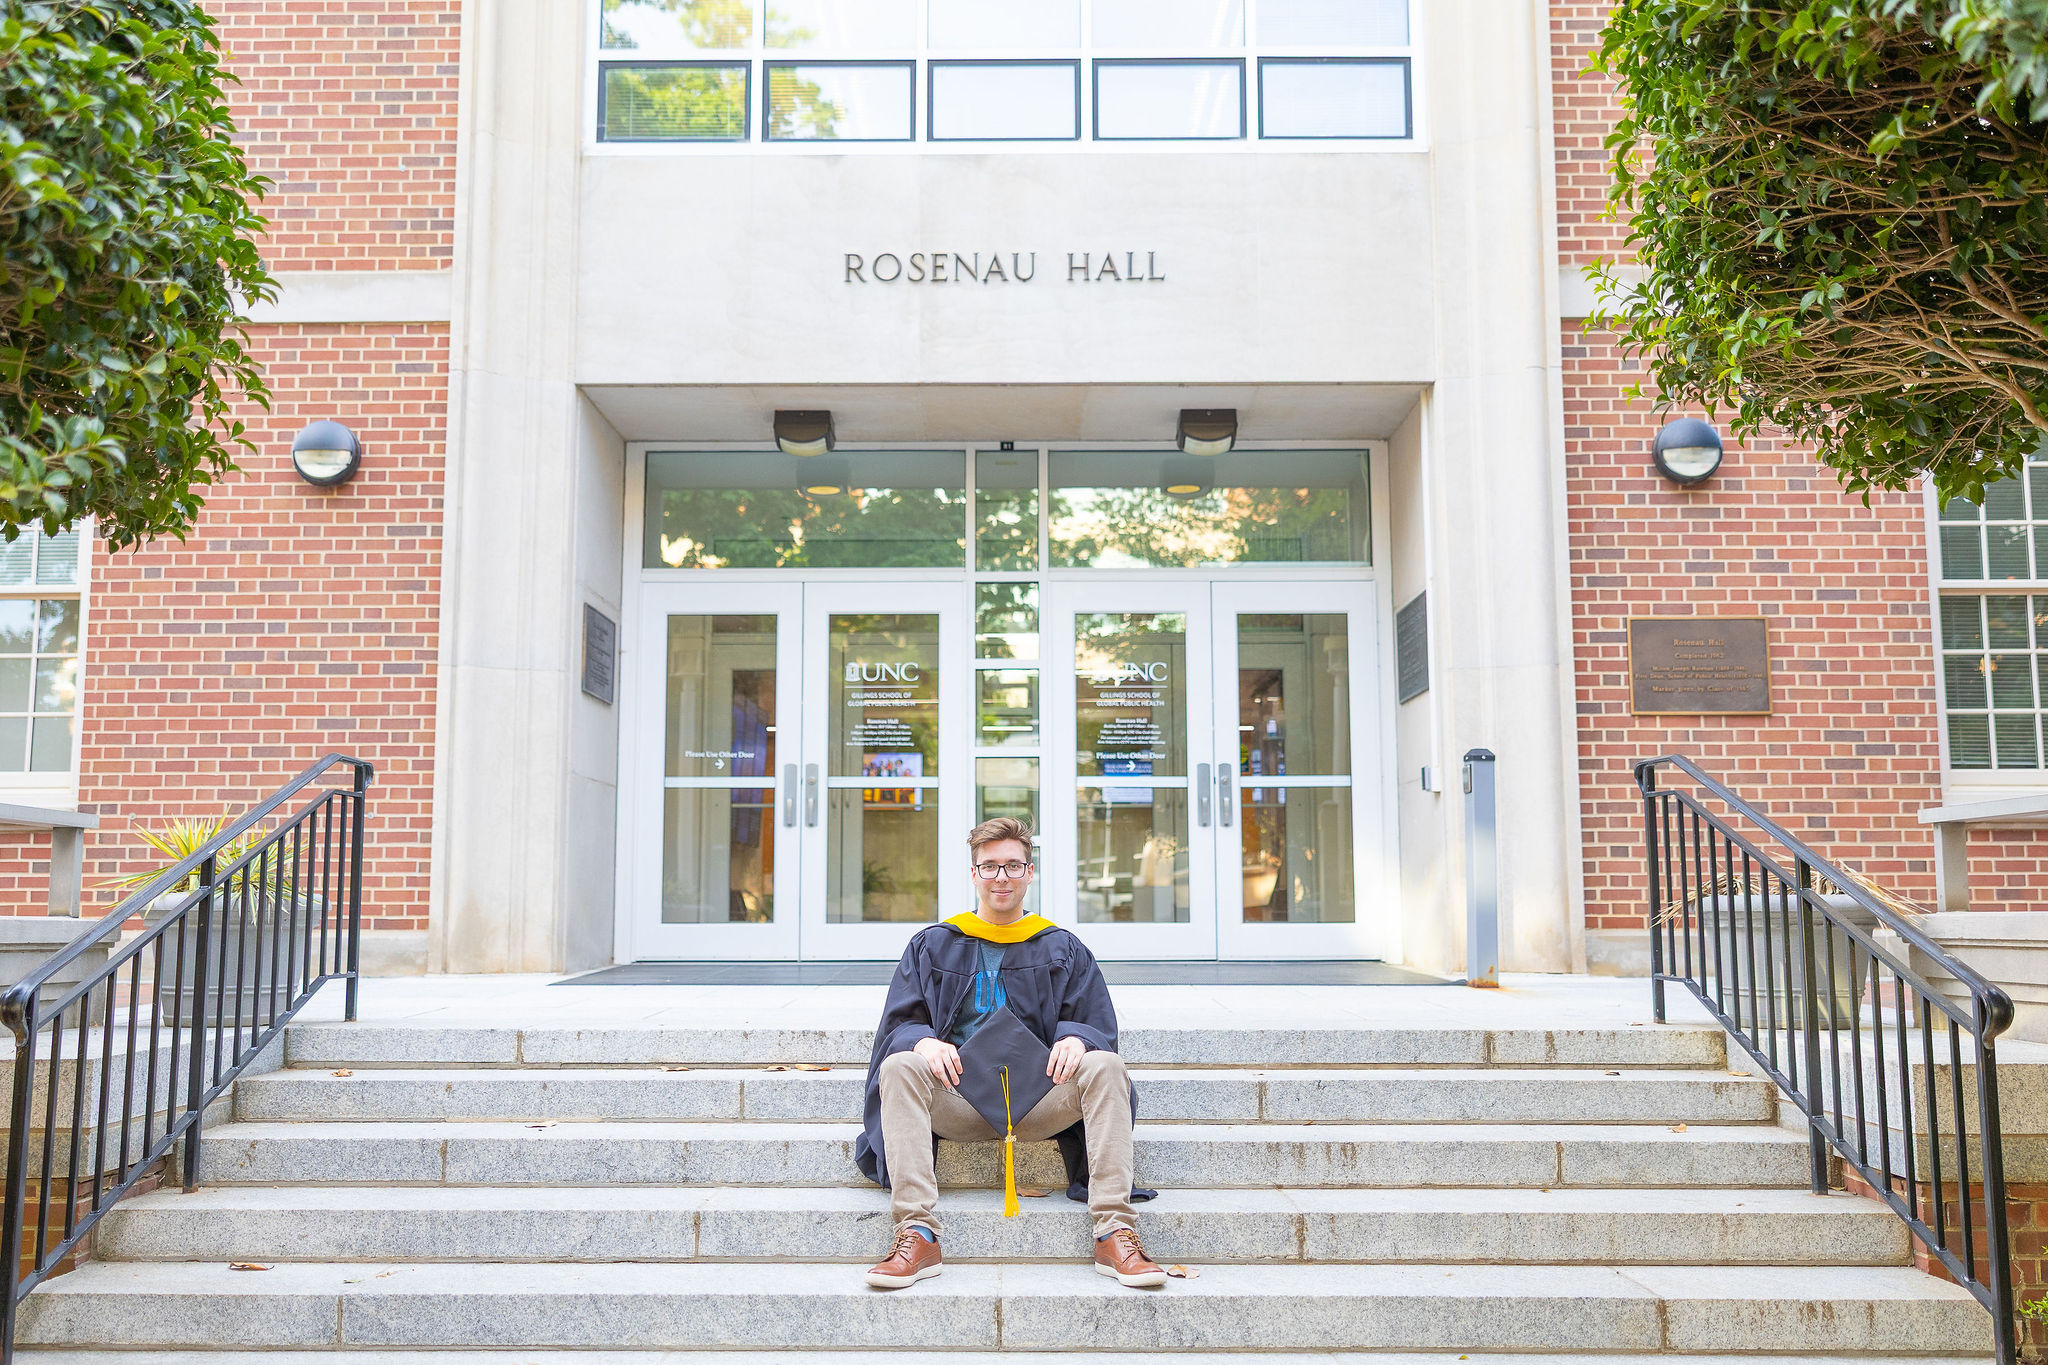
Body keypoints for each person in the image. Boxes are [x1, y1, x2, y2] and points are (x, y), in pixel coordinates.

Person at [853, 816, 1166, 1291]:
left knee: (1105, 1064)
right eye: (990, 867)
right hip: (957, 1102)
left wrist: (1076, 1038)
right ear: (974, 873)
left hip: (1039, 1103)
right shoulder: (933, 944)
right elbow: (899, 1023)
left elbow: (1097, 1022)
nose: (1002, 877)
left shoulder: (1061, 946)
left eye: (1013, 867)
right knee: (900, 1063)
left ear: (1030, 872)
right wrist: (923, 1041)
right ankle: (916, 1232)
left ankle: (1113, 1231)